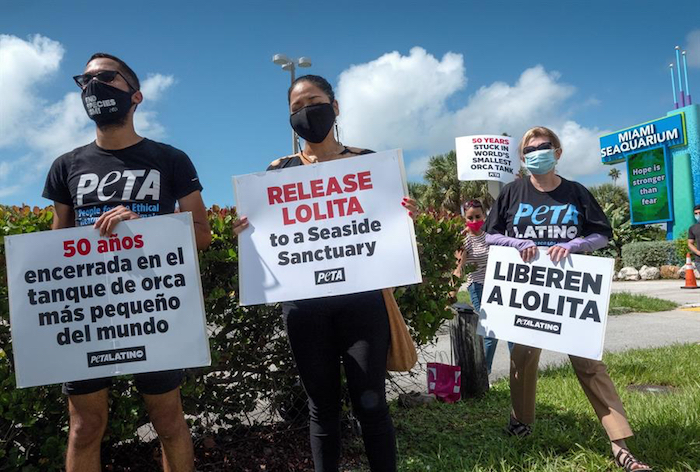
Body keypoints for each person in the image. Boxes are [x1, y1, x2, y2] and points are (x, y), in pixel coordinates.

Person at [233, 75, 416, 472]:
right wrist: (246, 232)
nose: (306, 112)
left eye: (313, 101)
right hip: (305, 308)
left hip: (362, 303)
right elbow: (270, 234)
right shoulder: (277, 171)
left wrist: (405, 218)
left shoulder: (369, 162)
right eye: (296, 108)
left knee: (372, 404)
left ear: (334, 107)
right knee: (322, 408)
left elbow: (386, 227)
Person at [43, 52, 211, 472]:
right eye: (85, 80)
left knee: (169, 423)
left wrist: (145, 231)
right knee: (84, 428)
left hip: (154, 308)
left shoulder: (171, 159)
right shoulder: (65, 166)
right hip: (87, 314)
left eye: (105, 77)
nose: (92, 86)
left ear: (135, 95)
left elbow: (202, 234)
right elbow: (57, 247)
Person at [484, 126, 652, 472]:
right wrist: (516, 243)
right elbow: (490, 235)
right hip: (527, 289)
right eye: (529, 150)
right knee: (522, 359)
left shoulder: (576, 192)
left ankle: (620, 444)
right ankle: (520, 421)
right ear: (522, 158)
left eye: (543, 147)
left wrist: (575, 245)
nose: (536, 154)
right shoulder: (512, 192)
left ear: (558, 152)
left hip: (569, 289)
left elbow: (602, 234)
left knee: (589, 364)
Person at [453, 199, 511, 376]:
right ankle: (484, 374)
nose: (474, 220)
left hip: (498, 286)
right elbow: (459, 269)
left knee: (510, 329)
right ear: (464, 219)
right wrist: (452, 292)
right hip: (477, 286)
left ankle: (519, 372)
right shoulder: (464, 240)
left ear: (485, 216)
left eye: (478, 216)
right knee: (490, 332)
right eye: (470, 218)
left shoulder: (491, 236)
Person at [687, 204, 700, 272]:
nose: (698, 215)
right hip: (699, 261)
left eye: (699, 213)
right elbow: (690, 243)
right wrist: (698, 252)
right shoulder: (692, 228)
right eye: (696, 213)